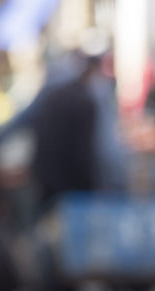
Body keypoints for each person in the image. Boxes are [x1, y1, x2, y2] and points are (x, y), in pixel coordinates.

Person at [30, 53, 100, 207]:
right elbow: (84, 152)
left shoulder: (53, 94)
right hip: (72, 184)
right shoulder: (84, 101)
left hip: (47, 176)